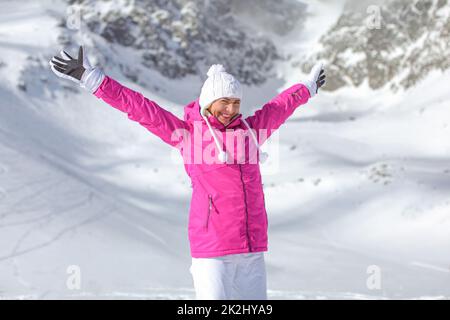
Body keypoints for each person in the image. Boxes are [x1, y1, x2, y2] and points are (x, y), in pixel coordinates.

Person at [49, 46, 326, 300]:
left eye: (236, 103)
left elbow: (278, 108)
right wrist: (92, 79)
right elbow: (141, 109)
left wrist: (308, 87)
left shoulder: (250, 133)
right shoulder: (188, 135)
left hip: (252, 250)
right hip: (213, 251)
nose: (231, 109)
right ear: (209, 102)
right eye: (224, 102)